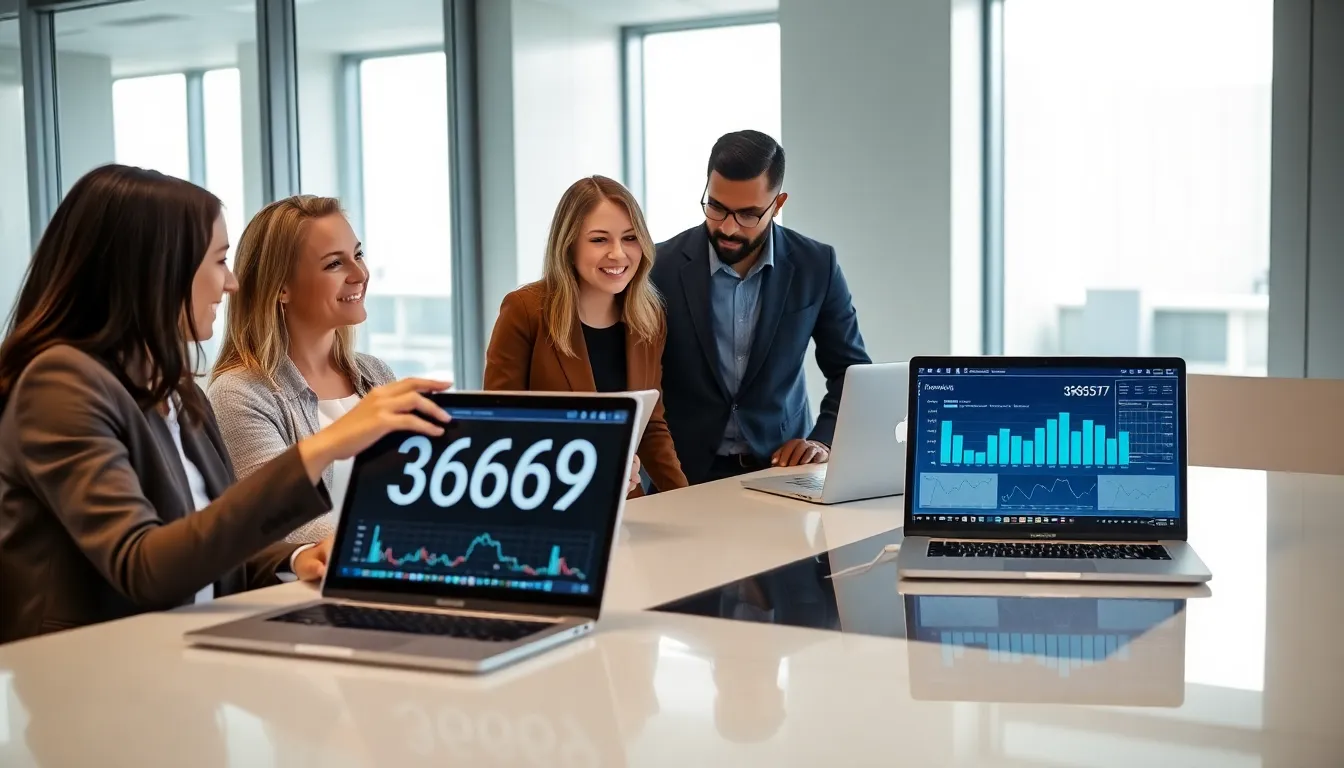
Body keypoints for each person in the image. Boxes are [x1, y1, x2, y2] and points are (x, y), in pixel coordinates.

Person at [0, 165, 450, 644]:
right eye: (217, 261)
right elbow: (144, 566)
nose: (232, 283)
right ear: (159, 269)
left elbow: (203, 541)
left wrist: (295, 557)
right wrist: (324, 447)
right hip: (92, 672)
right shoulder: (61, 385)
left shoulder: (175, 387)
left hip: (187, 656)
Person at [650, 130, 871, 485]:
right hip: (682, 474)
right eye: (717, 207)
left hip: (784, 470)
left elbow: (852, 373)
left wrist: (822, 440)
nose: (728, 227)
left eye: (748, 215)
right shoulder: (659, 266)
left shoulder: (817, 265)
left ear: (778, 204)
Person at [209, 195, 402, 543]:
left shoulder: (377, 375)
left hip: (389, 575)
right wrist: (391, 548)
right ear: (281, 287)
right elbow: (279, 522)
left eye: (357, 255)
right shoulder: (239, 394)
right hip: (306, 587)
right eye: (334, 265)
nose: (360, 274)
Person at [484, 175, 687, 497]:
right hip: (546, 502)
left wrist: (683, 499)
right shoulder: (524, 310)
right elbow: (499, 427)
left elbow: (650, 426)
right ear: (569, 244)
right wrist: (590, 466)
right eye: (599, 240)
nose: (619, 254)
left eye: (630, 238)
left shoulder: (649, 316)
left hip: (626, 507)